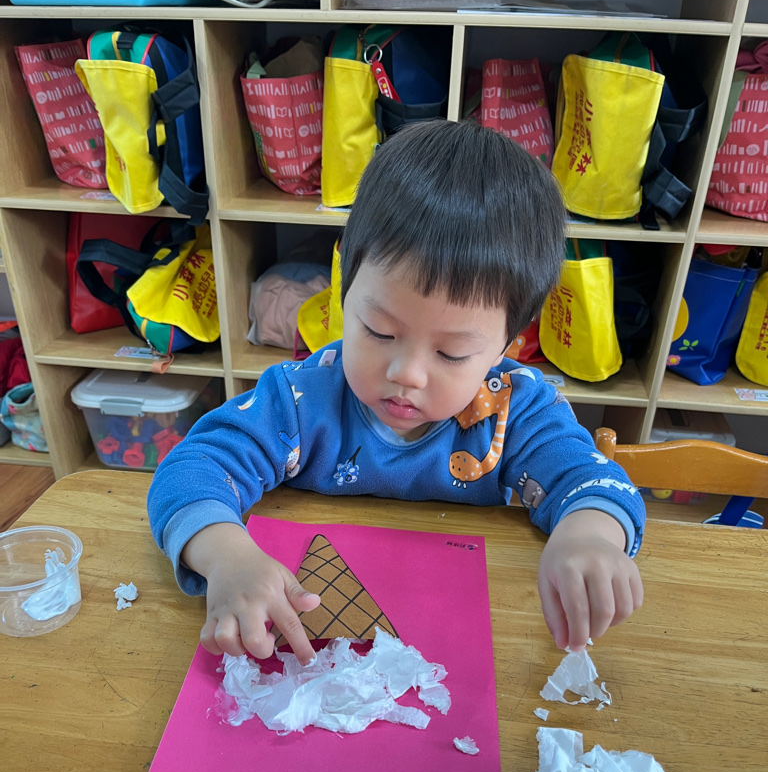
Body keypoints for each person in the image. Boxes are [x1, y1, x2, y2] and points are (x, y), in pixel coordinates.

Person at [148, 121, 645, 666]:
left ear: (506, 346)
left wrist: (589, 534)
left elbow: (590, 480)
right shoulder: (301, 399)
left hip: (466, 639)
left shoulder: (516, 410)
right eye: (380, 332)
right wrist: (226, 556)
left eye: (451, 353)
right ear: (345, 292)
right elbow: (192, 467)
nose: (407, 373)